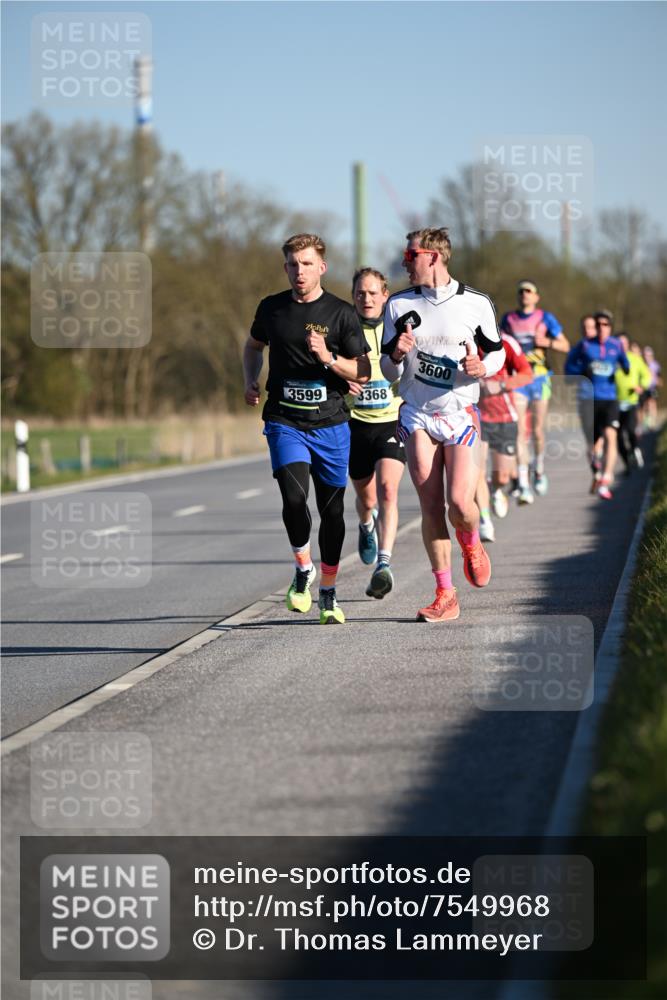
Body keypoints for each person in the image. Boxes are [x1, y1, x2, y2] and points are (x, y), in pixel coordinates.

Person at [243, 233, 370, 624]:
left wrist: (328, 357)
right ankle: (303, 567)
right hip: (285, 420)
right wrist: (250, 379)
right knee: (294, 498)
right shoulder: (272, 308)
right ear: (285, 267)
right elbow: (253, 346)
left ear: (322, 268)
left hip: (331, 423)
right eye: (293, 264)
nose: (300, 271)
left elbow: (363, 371)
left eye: (307, 264)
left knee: (333, 512)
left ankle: (328, 593)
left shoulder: (341, 313)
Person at [380, 227, 505, 622]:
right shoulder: (398, 305)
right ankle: (445, 594)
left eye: (410, 255)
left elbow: (498, 353)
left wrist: (482, 367)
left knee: (461, 504)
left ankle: (471, 542)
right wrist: (395, 355)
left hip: (460, 414)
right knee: (431, 505)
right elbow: (386, 371)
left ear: (433, 256)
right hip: (417, 413)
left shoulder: (476, 303)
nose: (404, 262)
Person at [347, 267, 406, 598]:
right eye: (360, 293)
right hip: (355, 423)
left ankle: (384, 564)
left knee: (387, 490)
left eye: (372, 293)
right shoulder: (344, 328)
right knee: (367, 499)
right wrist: (343, 381)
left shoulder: (397, 329)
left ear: (385, 295)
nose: (366, 299)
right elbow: (329, 365)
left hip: (391, 420)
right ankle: (366, 524)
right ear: (353, 296)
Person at [500, 280, 569, 504]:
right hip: (519, 379)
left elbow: (565, 345)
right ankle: (523, 482)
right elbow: (498, 345)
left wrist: (547, 342)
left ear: (536, 297)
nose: (525, 294)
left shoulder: (545, 318)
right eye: (521, 291)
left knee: (538, 430)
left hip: (540, 378)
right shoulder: (508, 319)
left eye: (529, 291)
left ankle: (538, 468)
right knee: (519, 432)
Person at [565, 309, 629, 500]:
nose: (601, 328)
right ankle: (597, 473)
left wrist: (624, 367)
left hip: (609, 398)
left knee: (611, 435)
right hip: (588, 398)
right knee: (592, 444)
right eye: (598, 325)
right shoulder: (584, 345)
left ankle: (606, 479)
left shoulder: (616, 345)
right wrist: (582, 370)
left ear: (610, 327)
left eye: (605, 324)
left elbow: (625, 364)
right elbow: (568, 369)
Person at [475, 332, 533, 542]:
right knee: (477, 471)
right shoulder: (464, 339)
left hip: (504, 417)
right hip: (476, 416)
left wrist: (500, 385)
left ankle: (495, 490)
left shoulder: (507, 343)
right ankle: (485, 521)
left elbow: (527, 374)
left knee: (502, 477)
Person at [615, 334, 651, 472]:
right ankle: (627, 462)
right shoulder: (611, 358)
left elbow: (647, 375)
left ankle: (634, 449)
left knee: (630, 430)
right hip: (614, 403)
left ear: (628, 344)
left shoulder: (635, 359)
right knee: (617, 437)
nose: (622, 346)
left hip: (631, 401)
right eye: (619, 343)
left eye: (624, 343)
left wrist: (642, 386)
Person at [642, 346, 662, 428]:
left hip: (652, 388)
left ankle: (652, 422)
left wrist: (658, 381)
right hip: (644, 387)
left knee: (652, 403)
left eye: (648, 355)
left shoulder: (656, 365)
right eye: (645, 355)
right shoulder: (642, 364)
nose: (647, 357)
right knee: (644, 405)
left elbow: (659, 376)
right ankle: (644, 422)